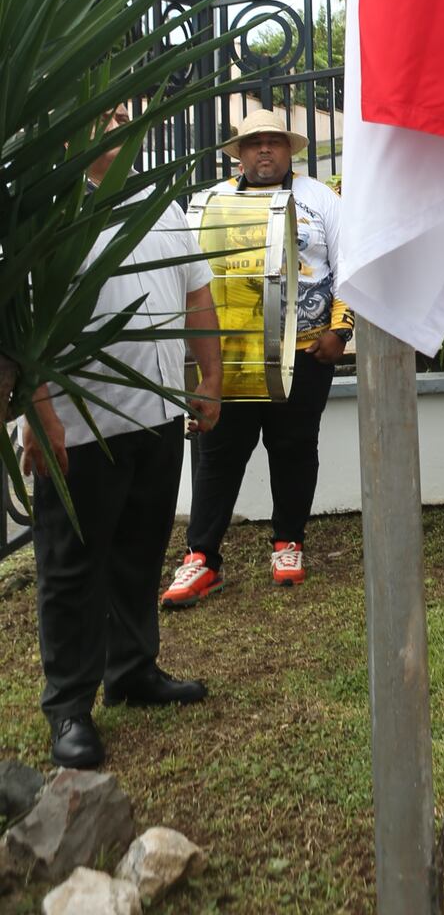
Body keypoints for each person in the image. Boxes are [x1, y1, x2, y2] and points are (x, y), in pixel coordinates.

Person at [21, 104, 221, 770]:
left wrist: (210, 377)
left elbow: (197, 295)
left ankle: (133, 671)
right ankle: (69, 707)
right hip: (82, 427)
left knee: (140, 551)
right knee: (72, 568)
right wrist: (38, 411)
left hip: (157, 418)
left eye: (125, 116)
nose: (118, 126)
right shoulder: (47, 214)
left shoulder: (162, 207)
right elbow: (22, 323)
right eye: (104, 117)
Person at [162, 108, 353, 604]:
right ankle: (201, 558)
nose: (264, 150)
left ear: (290, 150)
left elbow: (348, 267)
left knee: (293, 448)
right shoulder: (208, 204)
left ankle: (289, 542)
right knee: (217, 455)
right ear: (239, 154)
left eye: (274, 141)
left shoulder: (320, 200)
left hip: (305, 350)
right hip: (232, 358)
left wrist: (340, 330)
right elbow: (187, 280)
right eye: (253, 143)